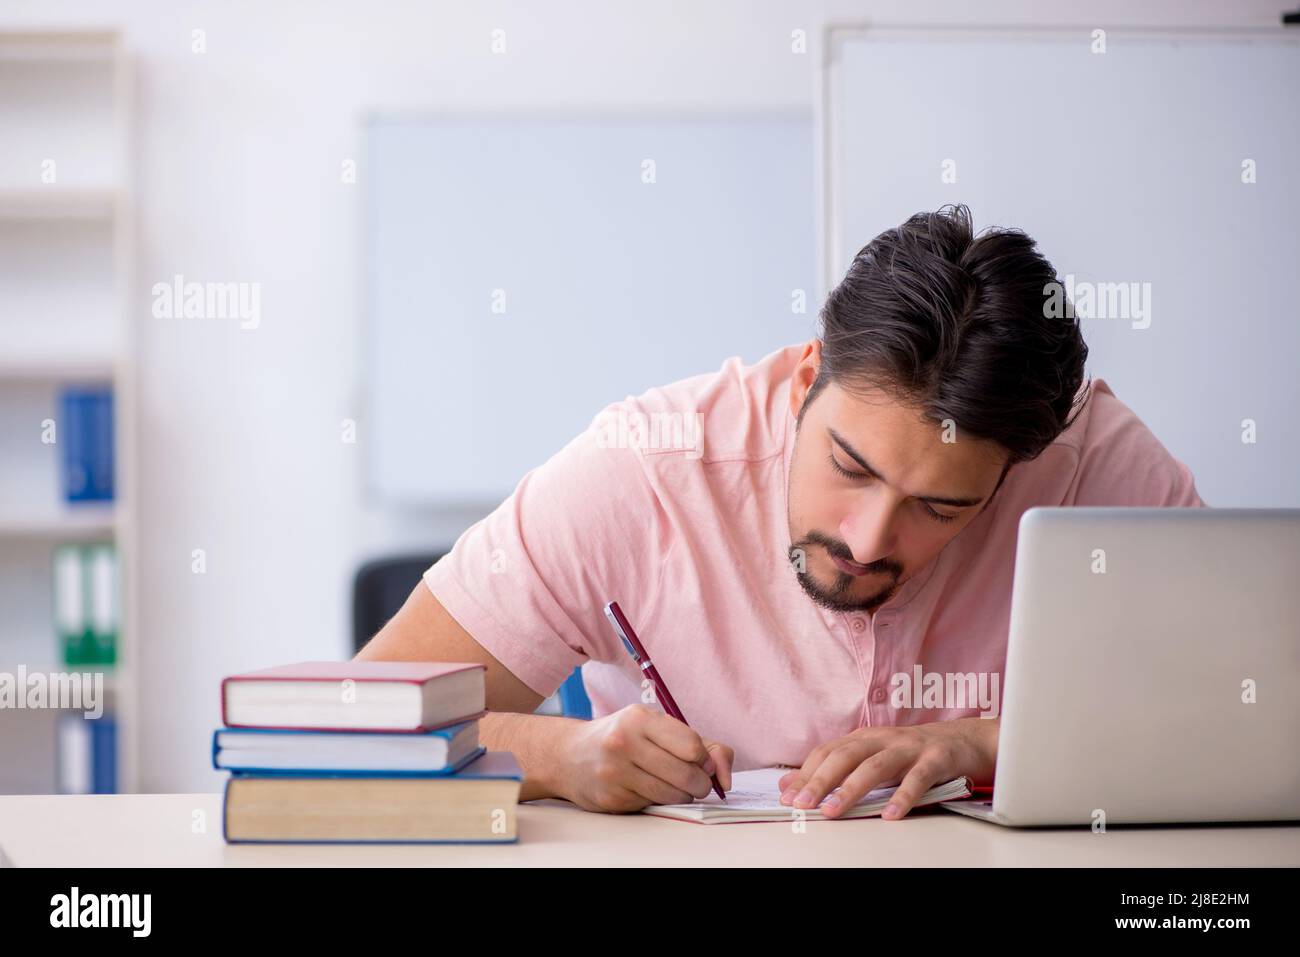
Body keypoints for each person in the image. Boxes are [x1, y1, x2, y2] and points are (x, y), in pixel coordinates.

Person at [358, 204, 1203, 819]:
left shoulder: (1099, 466)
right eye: (849, 465)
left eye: (941, 507)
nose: (867, 540)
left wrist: (991, 739)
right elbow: (364, 721)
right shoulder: (640, 471)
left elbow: (1243, 709)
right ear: (806, 381)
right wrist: (555, 756)